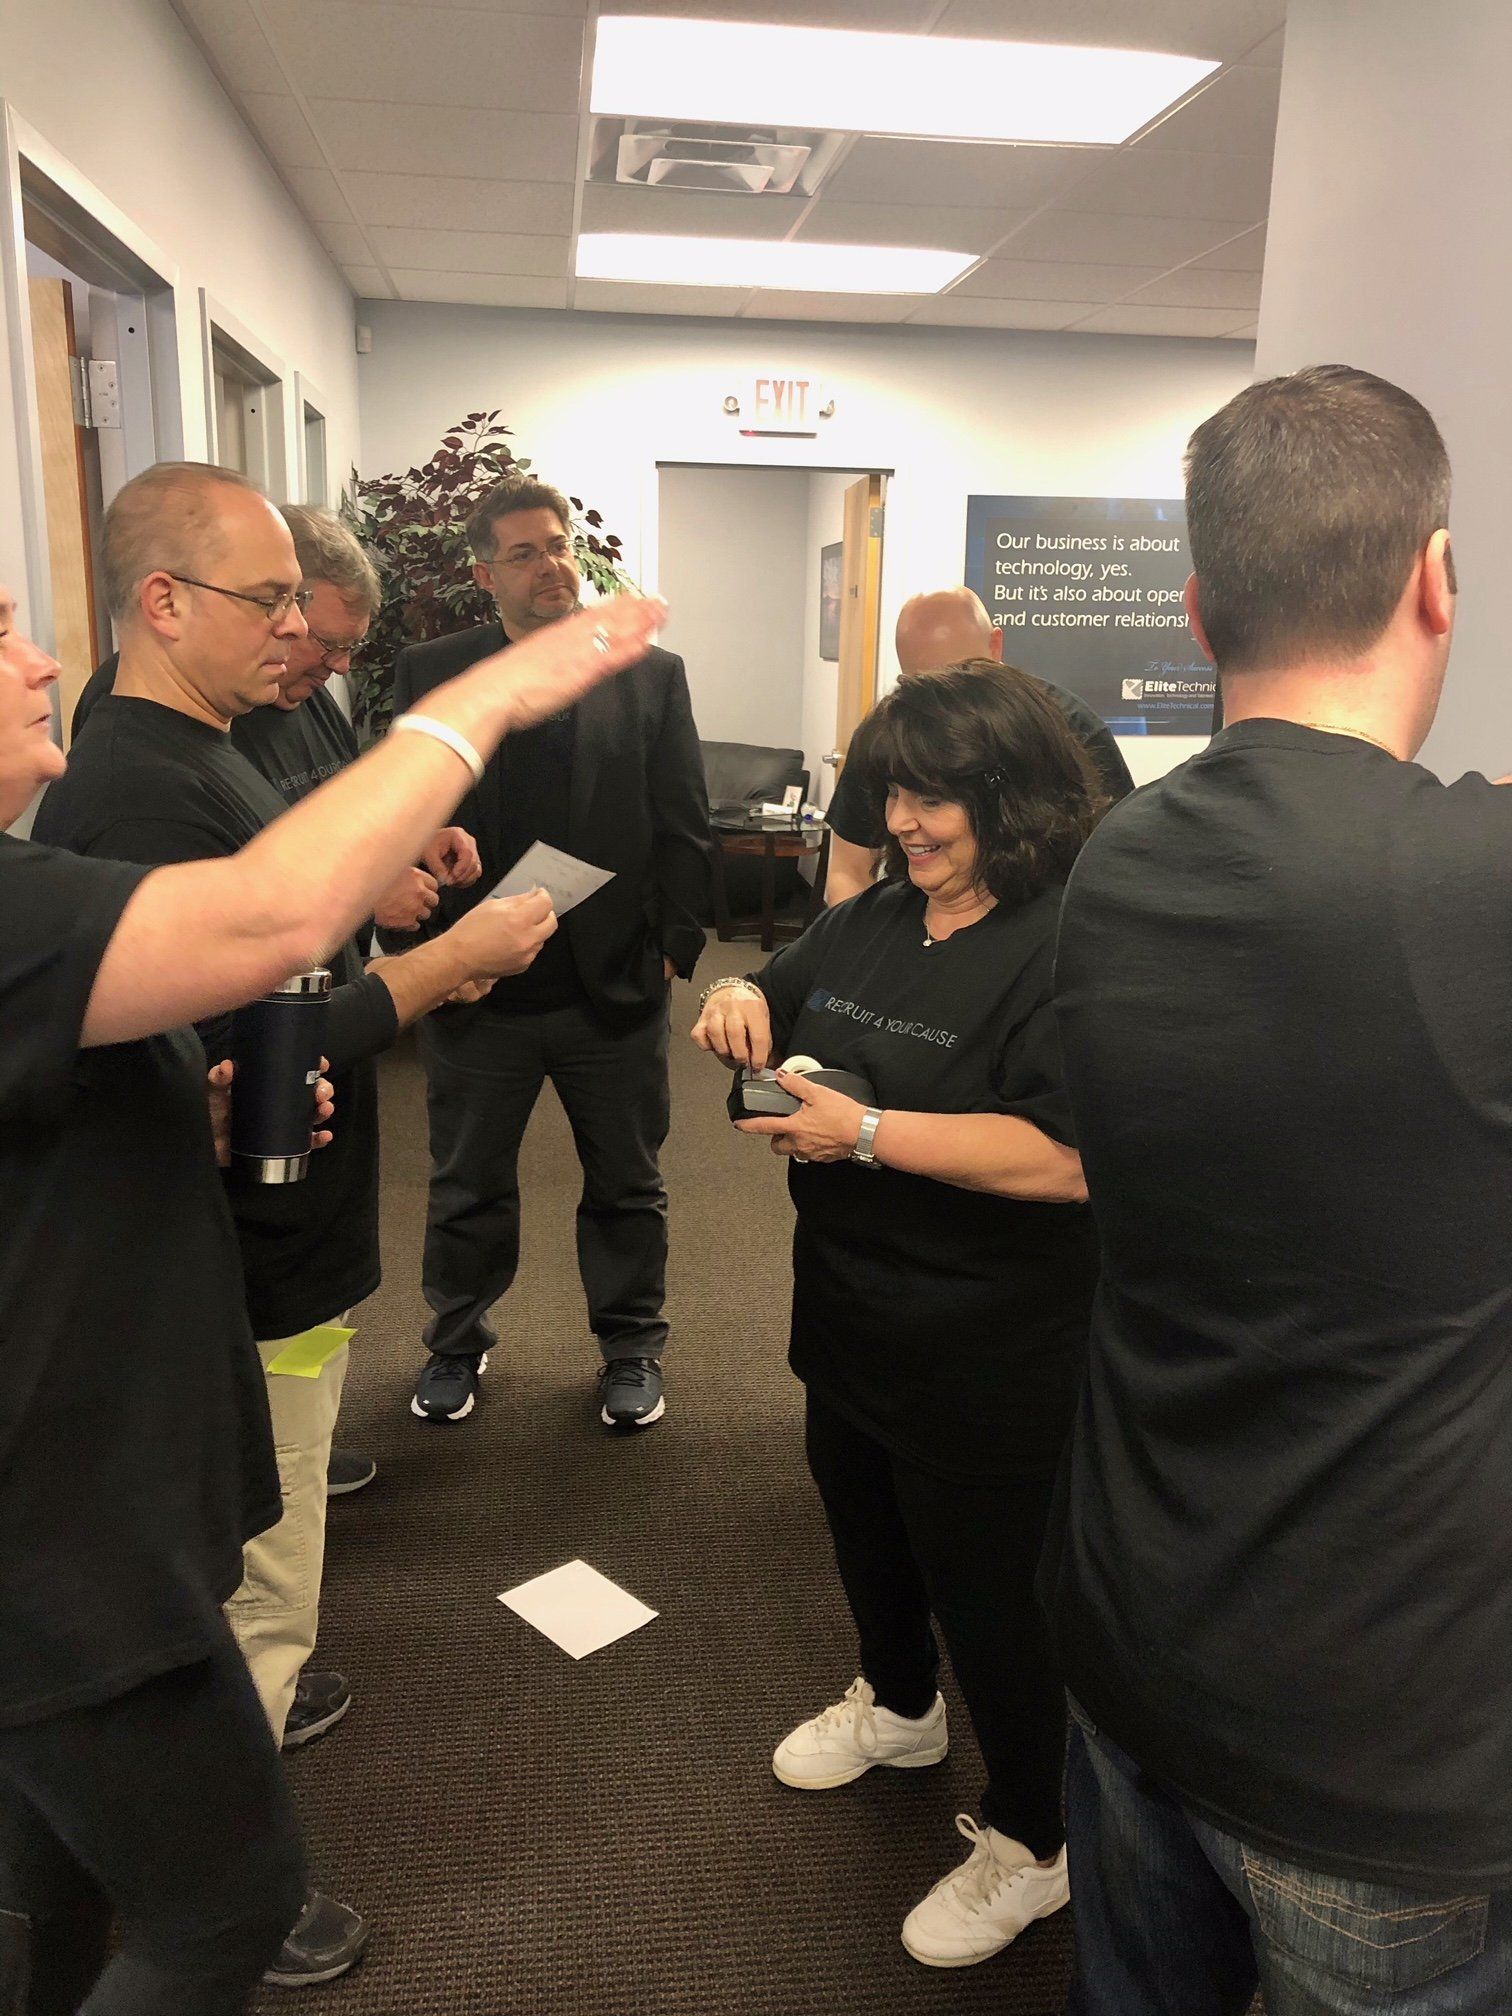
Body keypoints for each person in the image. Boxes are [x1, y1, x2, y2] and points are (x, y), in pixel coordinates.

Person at [0, 559, 662, 2011]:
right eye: (1, 637)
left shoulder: (102, 827)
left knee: (45, 1885)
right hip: (66, 1531)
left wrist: (191, 1108)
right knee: (218, 1913)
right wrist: (489, 695)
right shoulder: (100, 813)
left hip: (97, 1466)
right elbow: (269, 925)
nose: (45, 660)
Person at [1042, 364, 1512, 2014]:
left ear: (1193, 611)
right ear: (1436, 579)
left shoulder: (1117, 857)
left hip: (1133, 1656)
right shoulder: (1463, 886)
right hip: (1374, 1758)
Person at [691, 663, 1101, 1969]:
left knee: (993, 1599)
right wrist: (743, 1002)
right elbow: (782, 979)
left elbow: (1070, 1158)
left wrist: (864, 1131)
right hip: (854, 1313)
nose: (906, 822)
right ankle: (903, 1706)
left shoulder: (1065, 943)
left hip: (991, 1342)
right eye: (895, 793)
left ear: (1011, 796)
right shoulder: (876, 913)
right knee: (865, 1532)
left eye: (937, 798)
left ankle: (1036, 1845)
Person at [392, 473, 711, 1432]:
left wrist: (674, 946)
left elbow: (683, 822)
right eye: (525, 553)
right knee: (465, 1184)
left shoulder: (648, 674)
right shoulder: (433, 671)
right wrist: (428, 943)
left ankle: (630, 1349)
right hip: (478, 986)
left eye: (561, 544)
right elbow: (408, 808)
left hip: (611, 988)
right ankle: (456, 1344)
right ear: (485, 572)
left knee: (627, 1181)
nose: (552, 566)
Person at [825, 584, 1133, 902]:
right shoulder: (887, 736)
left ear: (995, 645)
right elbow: (848, 870)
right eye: (922, 684)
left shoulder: (1070, 728)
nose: (943, 709)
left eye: (960, 677)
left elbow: (1118, 868)